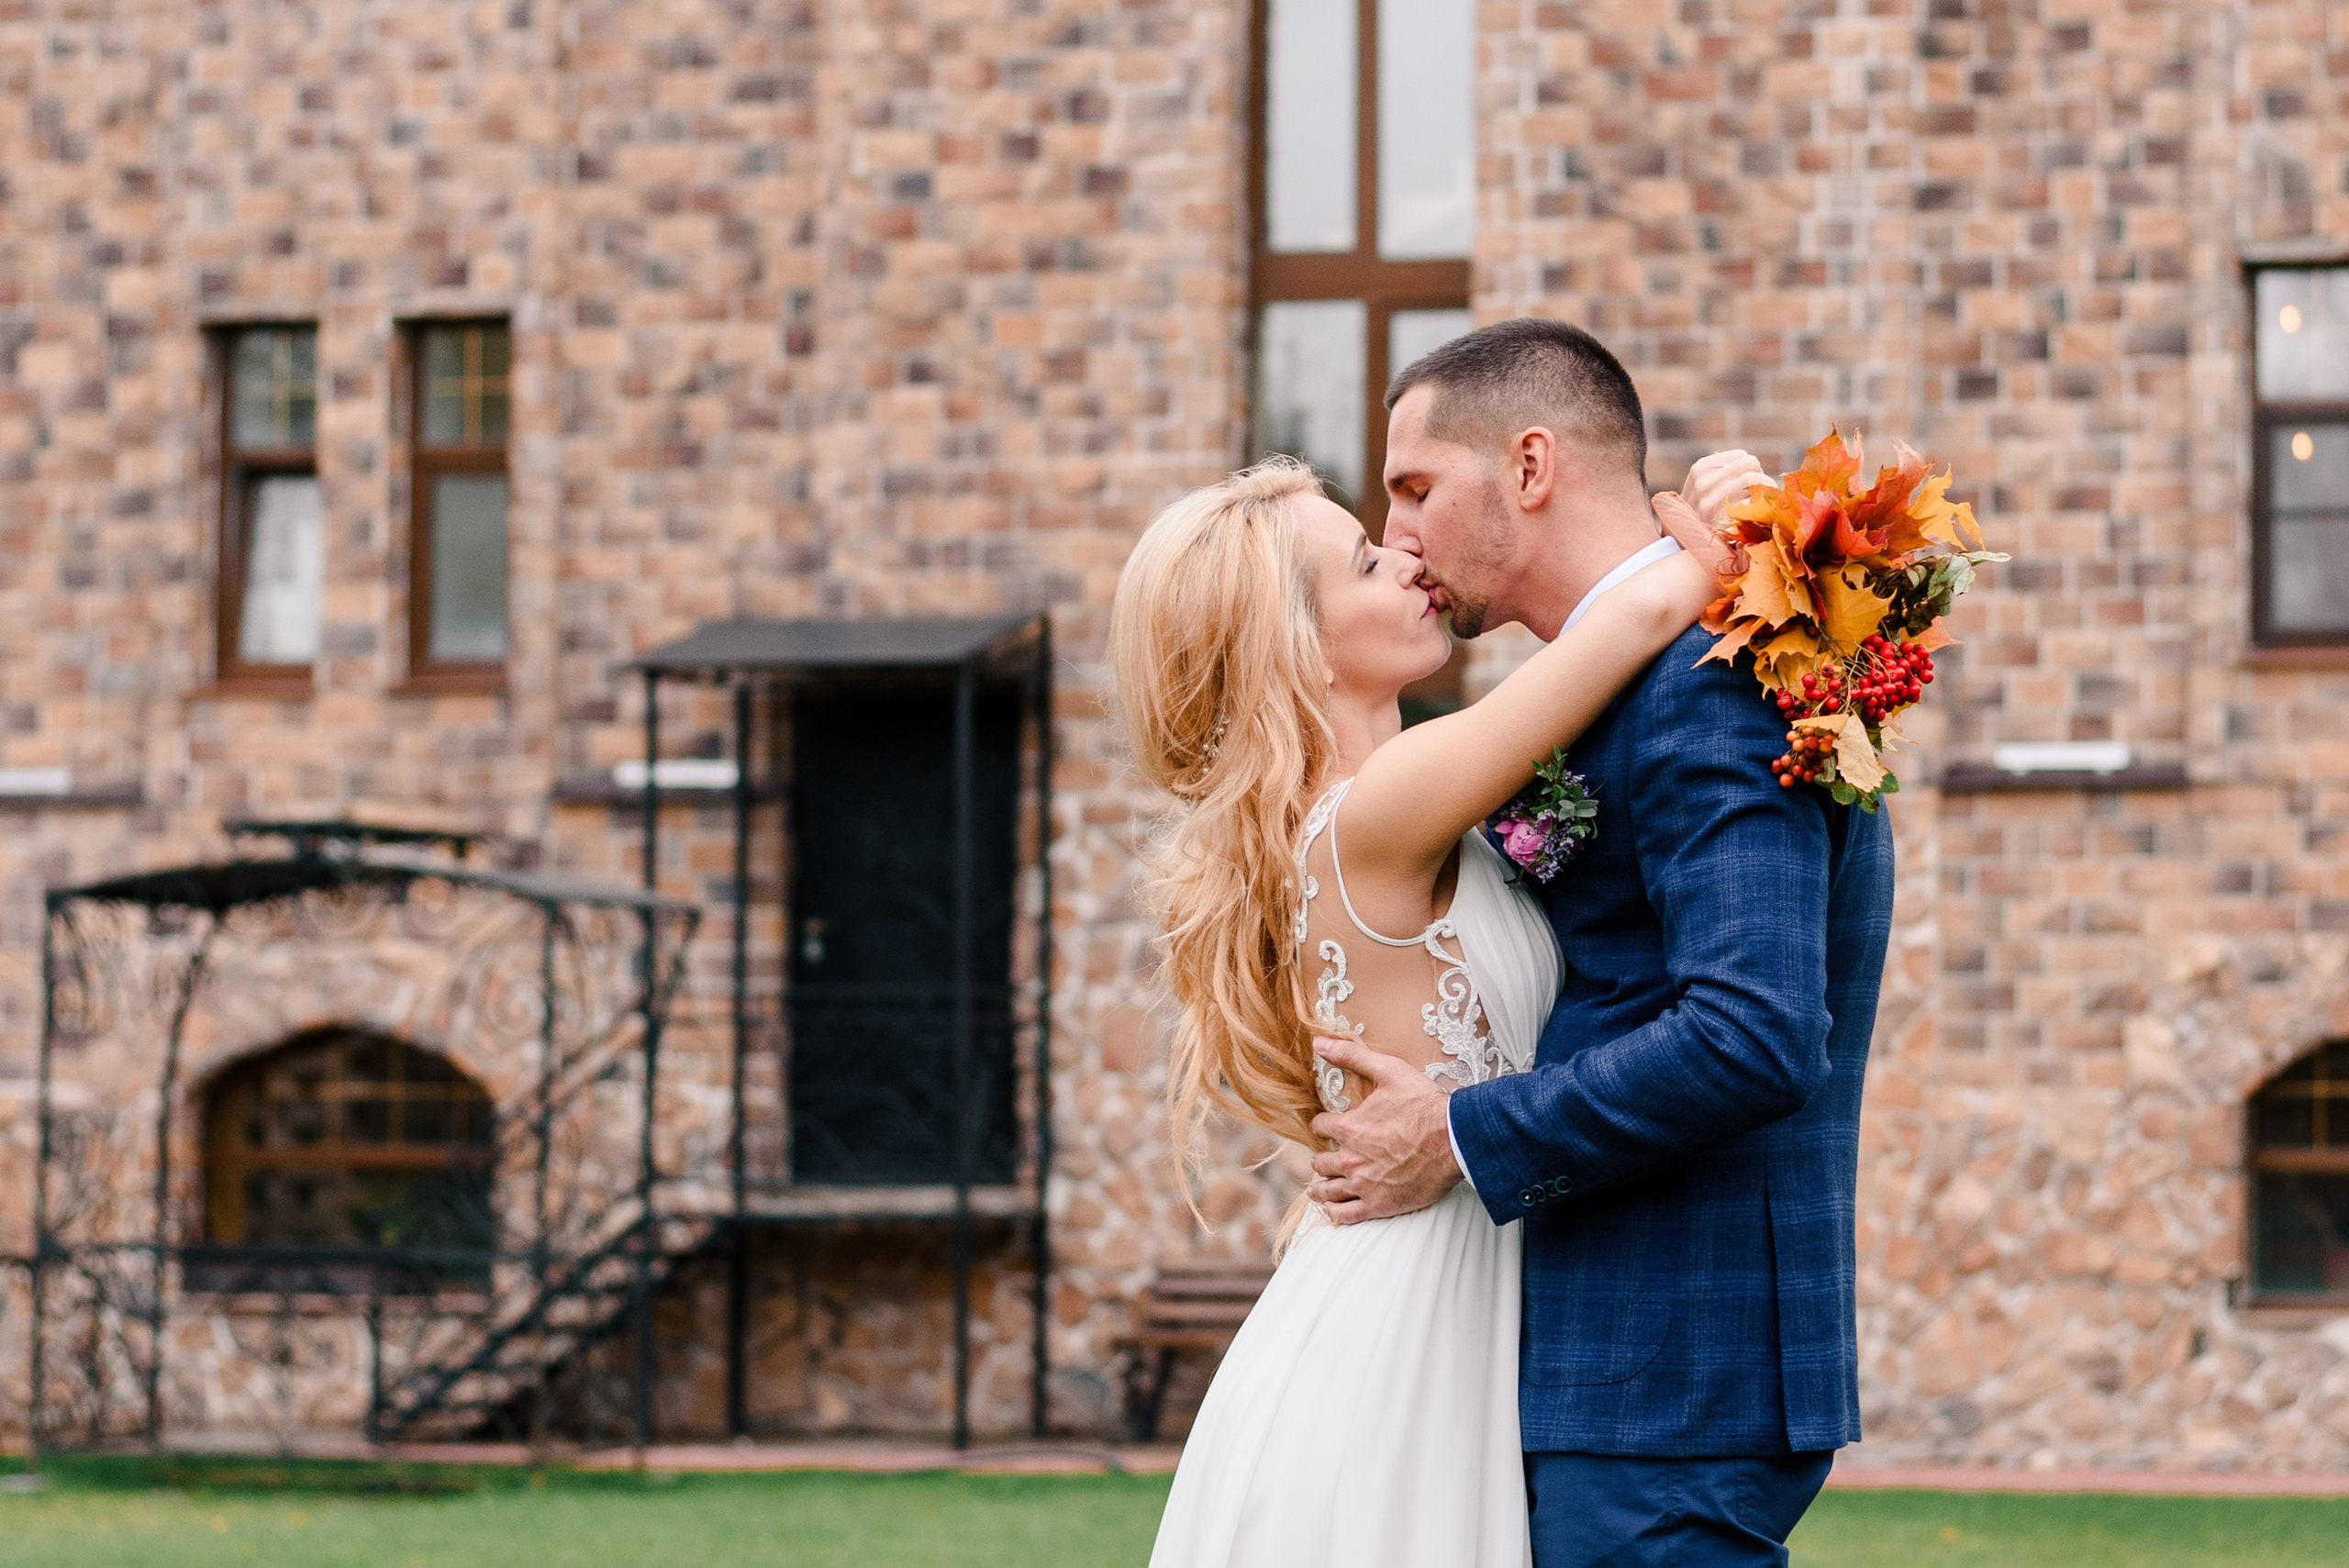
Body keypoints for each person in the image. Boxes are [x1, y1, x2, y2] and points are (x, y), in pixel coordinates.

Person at [1110, 392, 1762, 1563]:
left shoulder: (1403, 810)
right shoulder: (1383, 803)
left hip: (1433, 1283)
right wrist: (1724, 508)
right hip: (1405, 1319)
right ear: (1296, 643)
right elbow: (1648, 607)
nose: (1405, 554)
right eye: (1367, 557)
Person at [1307, 317, 1898, 1565]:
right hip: (1608, 1364)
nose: (1400, 531)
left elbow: (1754, 1032)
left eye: (1416, 488)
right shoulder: (1614, 681)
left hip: (1674, 1367)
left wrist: (1462, 1133)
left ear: (1530, 467)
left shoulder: (1708, 677)